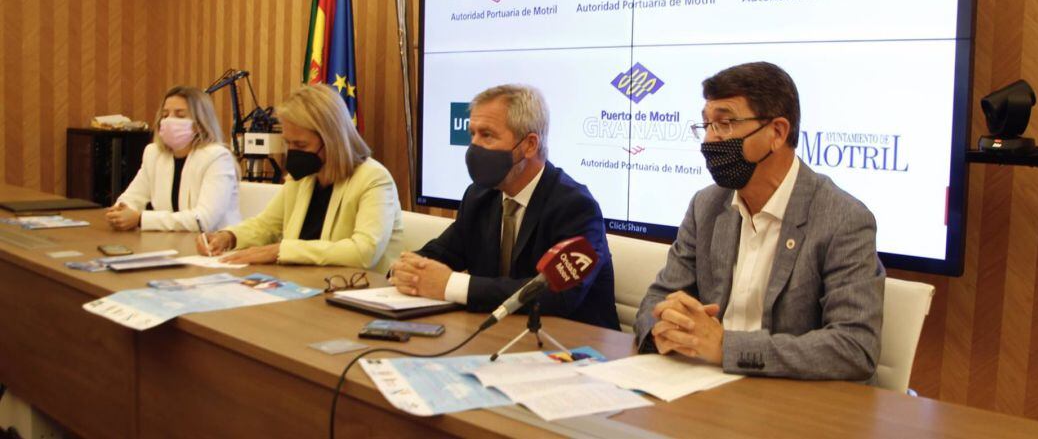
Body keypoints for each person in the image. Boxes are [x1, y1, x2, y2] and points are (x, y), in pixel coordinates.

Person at [635, 62, 885, 380]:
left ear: (777, 132)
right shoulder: (707, 206)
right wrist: (663, 327)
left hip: (793, 403)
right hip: (706, 389)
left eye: (725, 124)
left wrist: (727, 346)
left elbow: (855, 347)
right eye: (707, 125)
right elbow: (654, 301)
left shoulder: (843, 219)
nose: (710, 140)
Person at [389, 84, 619, 330]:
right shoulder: (480, 196)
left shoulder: (575, 206)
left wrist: (452, 285)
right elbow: (444, 251)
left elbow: (558, 294)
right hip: (501, 336)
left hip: (578, 348)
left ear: (529, 145)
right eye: (472, 134)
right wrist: (408, 268)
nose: (473, 147)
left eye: (486, 135)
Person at [197, 83, 403, 270]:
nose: (293, 152)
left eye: (301, 145)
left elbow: (363, 252)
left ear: (332, 140)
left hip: (355, 291)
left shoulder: (373, 179)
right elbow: (267, 225)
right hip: (303, 284)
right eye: (288, 143)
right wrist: (228, 237)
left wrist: (280, 251)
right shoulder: (303, 177)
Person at [107, 86, 239, 232]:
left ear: (200, 124)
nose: (169, 120)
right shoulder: (154, 153)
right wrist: (120, 212)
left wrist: (140, 219)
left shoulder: (217, 157)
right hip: (169, 242)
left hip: (213, 246)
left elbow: (203, 220)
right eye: (165, 114)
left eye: (180, 115)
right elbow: (133, 197)